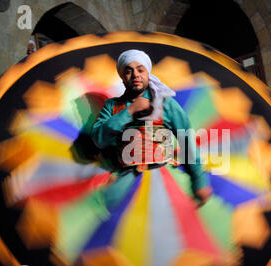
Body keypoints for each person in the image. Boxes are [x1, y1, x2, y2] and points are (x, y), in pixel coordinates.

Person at [91, 49, 212, 206]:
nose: (135, 75)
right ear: (122, 78)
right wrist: (130, 111)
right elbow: (99, 139)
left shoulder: (165, 103)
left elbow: (186, 140)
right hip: (127, 183)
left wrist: (199, 180)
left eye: (140, 70)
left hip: (165, 179)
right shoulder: (113, 106)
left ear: (147, 74)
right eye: (128, 71)